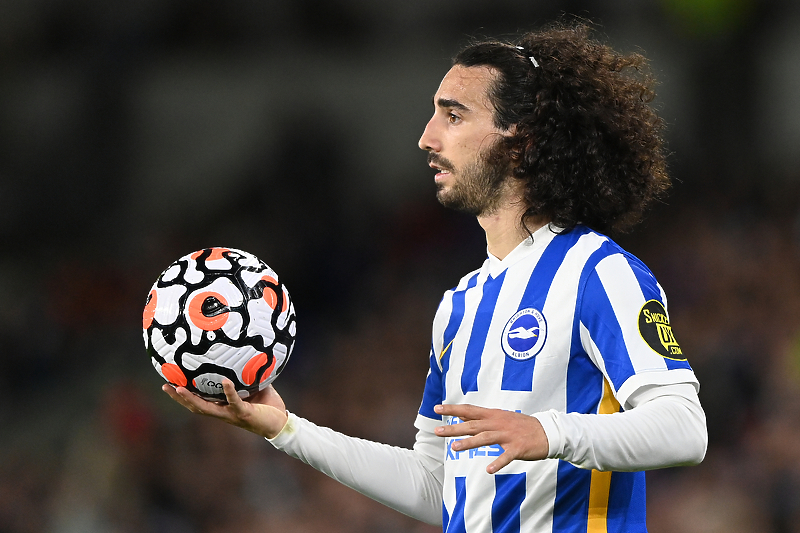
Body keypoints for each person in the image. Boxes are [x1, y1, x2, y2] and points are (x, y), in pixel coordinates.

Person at [163, 21, 707, 533]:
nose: (426, 137)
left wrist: (549, 433)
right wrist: (287, 430)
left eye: (454, 115)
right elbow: (439, 486)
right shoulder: (460, 304)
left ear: (522, 141)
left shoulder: (598, 271)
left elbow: (685, 428)